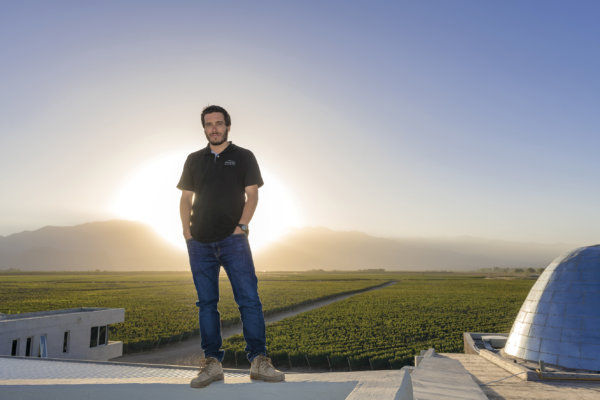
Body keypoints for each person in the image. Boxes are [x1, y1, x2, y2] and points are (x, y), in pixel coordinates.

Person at [177, 105, 284, 388]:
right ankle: (212, 363)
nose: (214, 128)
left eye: (219, 123)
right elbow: (186, 198)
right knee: (206, 304)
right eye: (209, 124)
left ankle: (259, 361)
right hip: (199, 243)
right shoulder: (193, 159)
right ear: (204, 128)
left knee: (249, 300)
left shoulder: (243, 156)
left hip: (233, 240)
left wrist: (242, 228)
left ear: (228, 126)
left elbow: (252, 196)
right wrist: (187, 233)